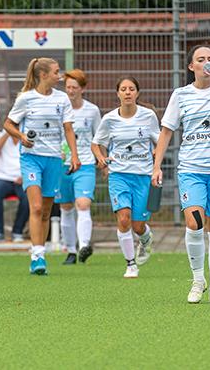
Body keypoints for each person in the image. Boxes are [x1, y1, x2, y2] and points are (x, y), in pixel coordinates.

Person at [152, 45, 210, 303]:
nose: (206, 63)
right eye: (200, 59)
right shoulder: (181, 95)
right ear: (191, 66)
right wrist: (157, 165)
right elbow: (167, 131)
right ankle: (198, 280)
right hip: (192, 169)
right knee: (195, 222)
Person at [3, 57, 80, 275]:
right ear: (44, 74)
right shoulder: (26, 99)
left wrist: (74, 155)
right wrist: (21, 136)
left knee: (46, 210)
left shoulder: (62, 99)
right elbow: (8, 124)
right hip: (31, 158)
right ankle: (37, 256)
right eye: (56, 72)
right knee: (36, 207)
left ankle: (41, 251)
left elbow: (68, 129)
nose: (60, 75)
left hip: (54, 159)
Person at [92, 76, 159, 278]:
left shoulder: (148, 116)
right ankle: (130, 264)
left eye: (131, 89)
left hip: (143, 176)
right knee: (123, 220)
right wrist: (101, 158)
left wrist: (157, 164)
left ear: (137, 93)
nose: (128, 92)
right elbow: (96, 144)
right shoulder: (109, 119)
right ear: (118, 94)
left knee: (138, 225)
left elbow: (159, 143)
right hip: (118, 175)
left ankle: (146, 238)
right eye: (123, 89)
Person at [55, 69, 101, 265]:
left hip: (85, 163)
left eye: (74, 87)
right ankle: (71, 250)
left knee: (83, 203)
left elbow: (99, 137)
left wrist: (102, 160)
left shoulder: (92, 111)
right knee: (65, 207)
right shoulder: (58, 108)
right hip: (61, 164)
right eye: (68, 87)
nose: (71, 91)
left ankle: (84, 246)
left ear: (82, 88)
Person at [0, 130, 29, 243]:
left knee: (29, 196)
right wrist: (7, 133)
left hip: (22, 178)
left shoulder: (27, 136)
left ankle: (18, 231)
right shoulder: (0, 135)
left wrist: (25, 176)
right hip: (1, 177)